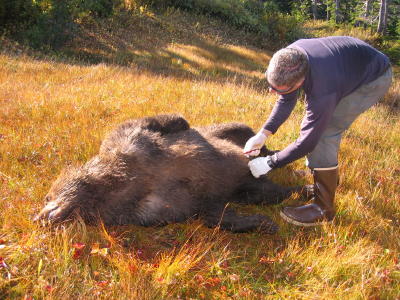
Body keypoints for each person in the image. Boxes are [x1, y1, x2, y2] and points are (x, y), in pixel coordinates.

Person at [243, 36, 392, 227]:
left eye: (277, 88)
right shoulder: (289, 57)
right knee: (317, 130)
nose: (271, 91)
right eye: (271, 85)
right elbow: (285, 98)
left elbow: (309, 141)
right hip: (348, 65)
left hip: (372, 78)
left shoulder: (324, 88)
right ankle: (322, 176)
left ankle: (323, 209)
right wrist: (263, 134)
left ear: (301, 81)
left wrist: (271, 162)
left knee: (324, 135)